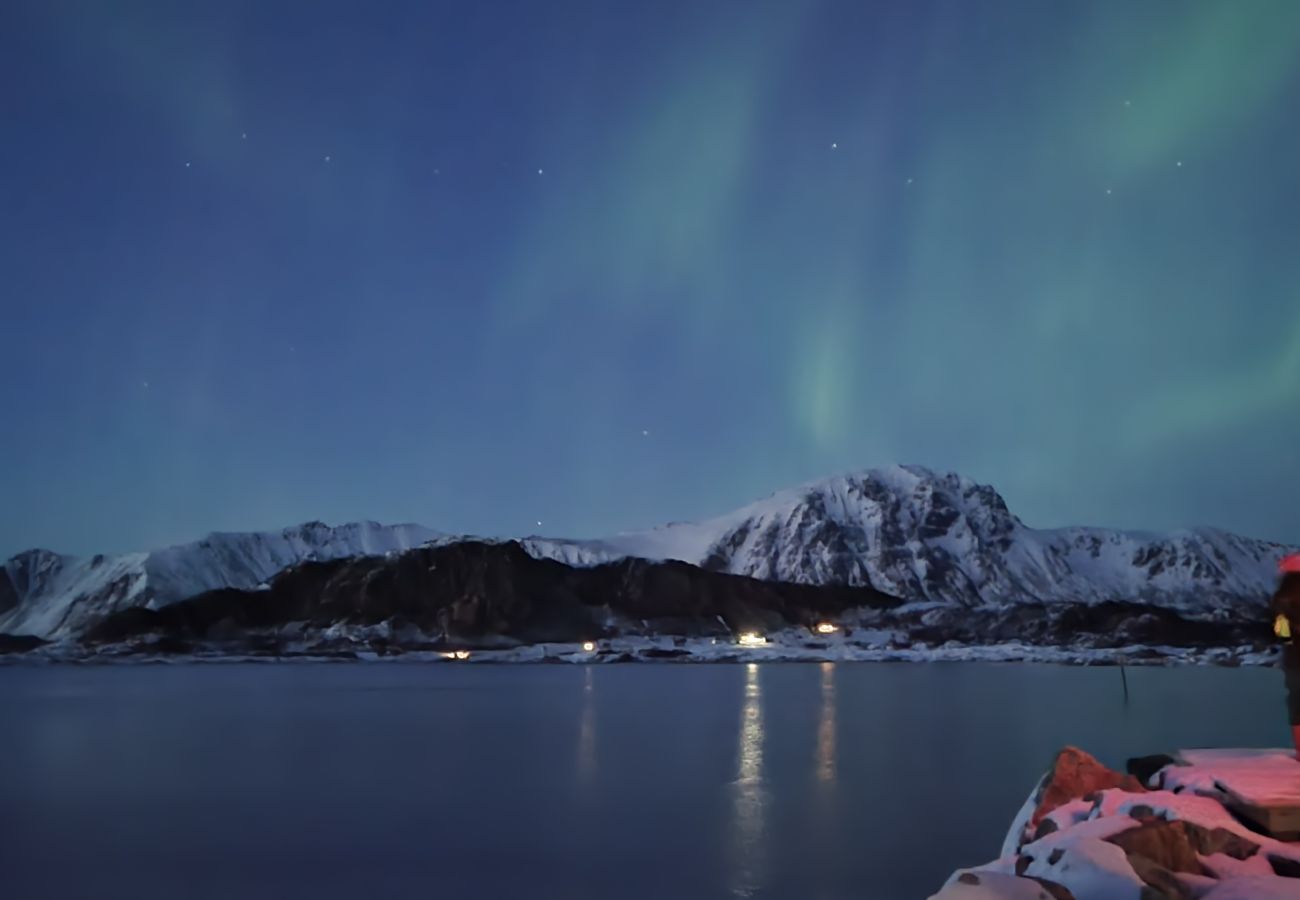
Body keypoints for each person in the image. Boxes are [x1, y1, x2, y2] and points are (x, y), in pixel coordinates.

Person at [1271, 552, 1300, 758]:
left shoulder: (1281, 599)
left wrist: (1289, 641)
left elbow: (1281, 632)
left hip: (1293, 659)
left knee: (1297, 702)